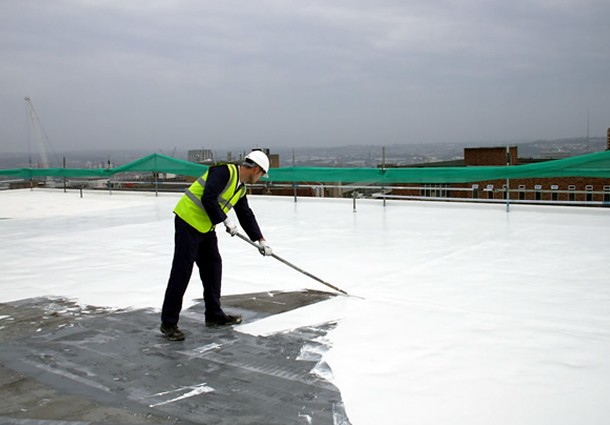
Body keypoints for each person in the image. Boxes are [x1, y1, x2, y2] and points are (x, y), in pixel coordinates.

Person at [160, 150, 273, 341]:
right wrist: (225, 220)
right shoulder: (224, 172)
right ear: (256, 169)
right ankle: (168, 323)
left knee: (213, 268)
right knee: (182, 271)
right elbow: (208, 197)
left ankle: (214, 315)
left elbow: (246, 214)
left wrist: (260, 239)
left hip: (206, 226)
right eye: (262, 174)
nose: (261, 179)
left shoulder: (241, 188)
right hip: (188, 221)